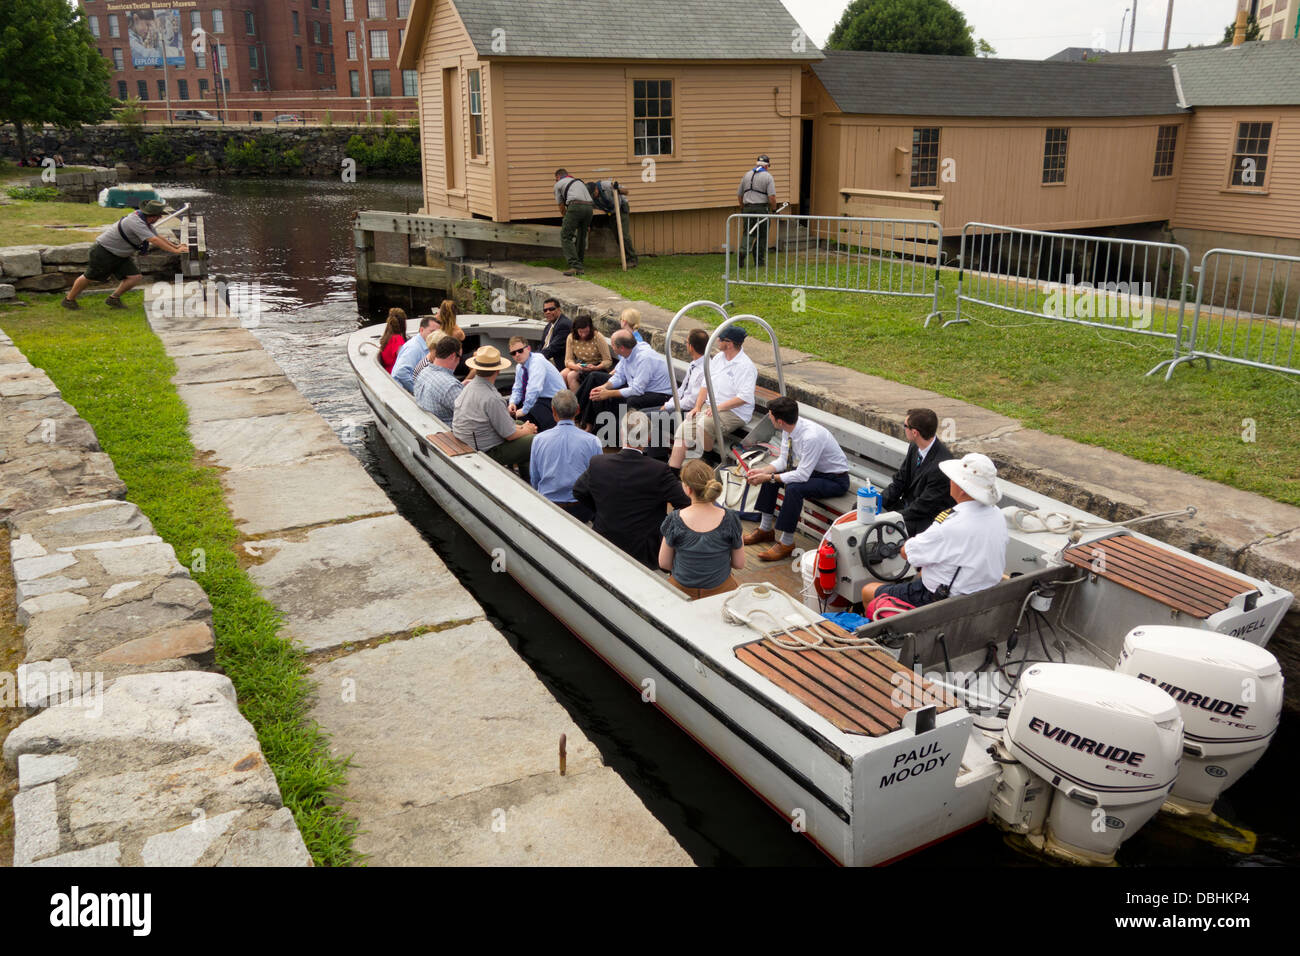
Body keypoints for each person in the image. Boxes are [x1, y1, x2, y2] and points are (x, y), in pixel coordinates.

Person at [861, 453, 1008, 610]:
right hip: (981, 592)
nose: (950, 482)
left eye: (954, 479)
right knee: (921, 574)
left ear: (963, 490)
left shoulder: (950, 524)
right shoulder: (997, 515)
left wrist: (903, 547)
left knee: (868, 591)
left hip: (939, 598)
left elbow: (908, 553)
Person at [573, 410, 690, 568]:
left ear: (622, 434)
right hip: (644, 551)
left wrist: (600, 512)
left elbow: (579, 491)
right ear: (648, 439)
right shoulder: (659, 470)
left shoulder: (598, 464)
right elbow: (685, 503)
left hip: (604, 540)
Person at [743, 396, 851, 562]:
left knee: (793, 487)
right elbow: (783, 460)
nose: (769, 417)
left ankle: (786, 542)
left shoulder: (811, 436)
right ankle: (765, 530)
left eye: (770, 415)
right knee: (772, 479)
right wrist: (763, 471)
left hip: (835, 480)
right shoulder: (789, 428)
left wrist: (769, 476)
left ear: (779, 421)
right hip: (816, 471)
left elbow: (802, 475)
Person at [61, 199, 187, 310]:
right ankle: (69, 300)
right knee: (89, 276)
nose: (160, 218)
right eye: (159, 216)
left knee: (135, 277)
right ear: (152, 215)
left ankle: (113, 299)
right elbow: (153, 240)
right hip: (104, 252)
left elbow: (157, 236)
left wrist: (176, 246)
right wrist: (175, 251)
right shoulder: (135, 222)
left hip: (119, 255)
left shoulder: (145, 221)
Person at [668, 325, 757, 468]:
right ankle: (672, 471)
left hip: (734, 411)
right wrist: (697, 407)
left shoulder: (746, 367)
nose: (716, 341)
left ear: (729, 343)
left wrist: (717, 408)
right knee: (683, 429)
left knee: (705, 424)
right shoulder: (718, 359)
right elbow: (705, 384)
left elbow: (744, 398)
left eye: (719, 339)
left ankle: (706, 457)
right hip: (711, 406)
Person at [659, 459, 746, 598]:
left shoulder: (675, 520)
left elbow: (664, 563)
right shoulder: (731, 519)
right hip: (720, 590)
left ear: (687, 489)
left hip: (682, 590)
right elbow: (739, 563)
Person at [453, 345, 538, 481]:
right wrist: (527, 430)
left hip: (469, 439)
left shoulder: (470, 386)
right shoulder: (493, 397)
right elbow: (510, 435)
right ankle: (528, 480)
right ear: (497, 370)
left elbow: (502, 425)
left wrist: (522, 427)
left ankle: (521, 473)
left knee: (520, 423)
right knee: (535, 440)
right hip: (484, 450)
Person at [582, 330, 673, 441]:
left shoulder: (644, 358)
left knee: (631, 400)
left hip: (661, 394)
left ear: (622, 348)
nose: (612, 348)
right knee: (597, 380)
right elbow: (619, 376)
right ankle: (590, 424)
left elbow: (637, 390)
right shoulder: (628, 353)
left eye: (613, 345)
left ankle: (621, 437)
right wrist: (605, 387)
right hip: (641, 387)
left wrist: (609, 393)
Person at [529, 389, 602, 522]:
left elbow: (535, 478)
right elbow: (598, 480)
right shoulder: (593, 441)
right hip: (582, 509)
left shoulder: (538, 440)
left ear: (553, 411)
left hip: (549, 505)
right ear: (578, 410)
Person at [882, 408, 955, 536]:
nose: (903, 428)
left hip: (924, 520)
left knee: (882, 530)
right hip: (907, 507)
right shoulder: (915, 446)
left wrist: (890, 518)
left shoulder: (941, 465)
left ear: (914, 432)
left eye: (905, 426)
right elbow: (900, 480)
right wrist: (877, 501)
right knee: (861, 508)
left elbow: (923, 506)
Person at [507, 336, 566, 432]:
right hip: (539, 398)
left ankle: (539, 436)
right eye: (513, 353)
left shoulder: (537, 362)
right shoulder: (519, 367)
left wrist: (524, 410)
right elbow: (517, 389)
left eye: (520, 351)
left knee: (530, 411)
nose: (517, 355)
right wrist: (512, 403)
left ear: (528, 349)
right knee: (507, 407)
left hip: (555, 400)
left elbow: (534, 389)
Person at [737, 154, 778, 267]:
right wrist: (774, 209)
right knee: (762, 235)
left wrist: (742, 207)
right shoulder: (768, 177)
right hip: (761, 209)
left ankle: (743, 252)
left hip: (747, 208)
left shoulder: (746, 175)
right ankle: (759, 261)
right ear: (766, 166)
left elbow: (739, 195)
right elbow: (772, 197)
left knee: (748, 233)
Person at [413, 336, 463, 426]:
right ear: (453, 356)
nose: (459, 361)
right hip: (449, 434)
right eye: (459, 357)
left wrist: (461, 387)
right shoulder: (450, 386)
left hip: (430, 425)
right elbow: (471, 414)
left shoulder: (423, 372)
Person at [554, 168, 594, 276]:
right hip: (589, 208)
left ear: (558, 177)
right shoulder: (579, 182)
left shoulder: (558, 184)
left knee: (566, 235)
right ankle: (579, 265)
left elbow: (561, 206)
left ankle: (575, 266)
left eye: (555, 179)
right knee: (582, 235)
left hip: (575, 206)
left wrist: (566, 218)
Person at [590, 178, 637, 267]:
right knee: (617, 236)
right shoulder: (592, 197)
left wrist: (617, 189)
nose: (594, 196)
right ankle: (626, 259)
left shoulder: (607, 185)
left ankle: (632, 259)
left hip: (621, 208)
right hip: (611, 212)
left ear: (596, 188)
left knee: (623, 234)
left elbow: (626, 191)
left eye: (594, 194)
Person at [562, 314, 612, 392]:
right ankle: (564, 401)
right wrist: (575, 366)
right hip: (580, 364)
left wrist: (596, 367)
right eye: (581, 332)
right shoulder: (571, 337)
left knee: (571, 376)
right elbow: (568, 360)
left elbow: (608, 361)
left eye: (586, 332)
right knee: (562, 375)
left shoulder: (597, 337)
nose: (583, 335)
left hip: (596, 365)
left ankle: (580, 401)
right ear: (576, 330)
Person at [391, 313, 440, 391]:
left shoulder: (426, 345)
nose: (435, 335)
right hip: (404, 392)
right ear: (421, 330)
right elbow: (401, 372)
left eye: (437, 333)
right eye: (432, 331)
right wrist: (418, 392)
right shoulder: (414, 348)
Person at [539, 297, 572, 370]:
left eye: (551, 309)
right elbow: (542, 346)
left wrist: (536, 359)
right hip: (546, 361)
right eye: (545, 310)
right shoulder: (549, 326)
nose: (548, 312)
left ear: (559, 309)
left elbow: (553, 348)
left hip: (558, 365)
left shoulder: (564, 325)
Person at [378, 308, 408, 373]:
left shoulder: (387, 336)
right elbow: (403, 361)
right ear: (403, 323)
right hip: (396, 373)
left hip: (388, 371)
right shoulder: (397, 339)